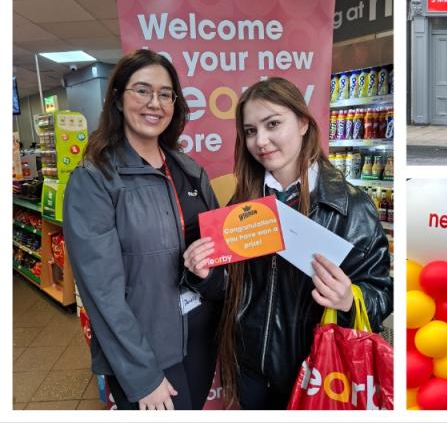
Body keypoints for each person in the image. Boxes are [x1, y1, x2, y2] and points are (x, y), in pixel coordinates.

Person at [183, 77, 393, 409]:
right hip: (250, 371)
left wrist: (348, 300)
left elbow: (381, 292)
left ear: (303, 123)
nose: (261, 141)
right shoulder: (243, 204)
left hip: (320, 372)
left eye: (273, 124)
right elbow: (232, 290)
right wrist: (204, 274)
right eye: (251, 131)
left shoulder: (350, 205)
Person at [63, 49, 221, 410]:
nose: (155, 103)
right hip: (148, 356)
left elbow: (219, 252)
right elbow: (101, 294)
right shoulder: (96, 179)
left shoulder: (190, 170)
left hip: (201, 340)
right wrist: (142, 375)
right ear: (118, 98)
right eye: (142, 90)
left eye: (165, 94)